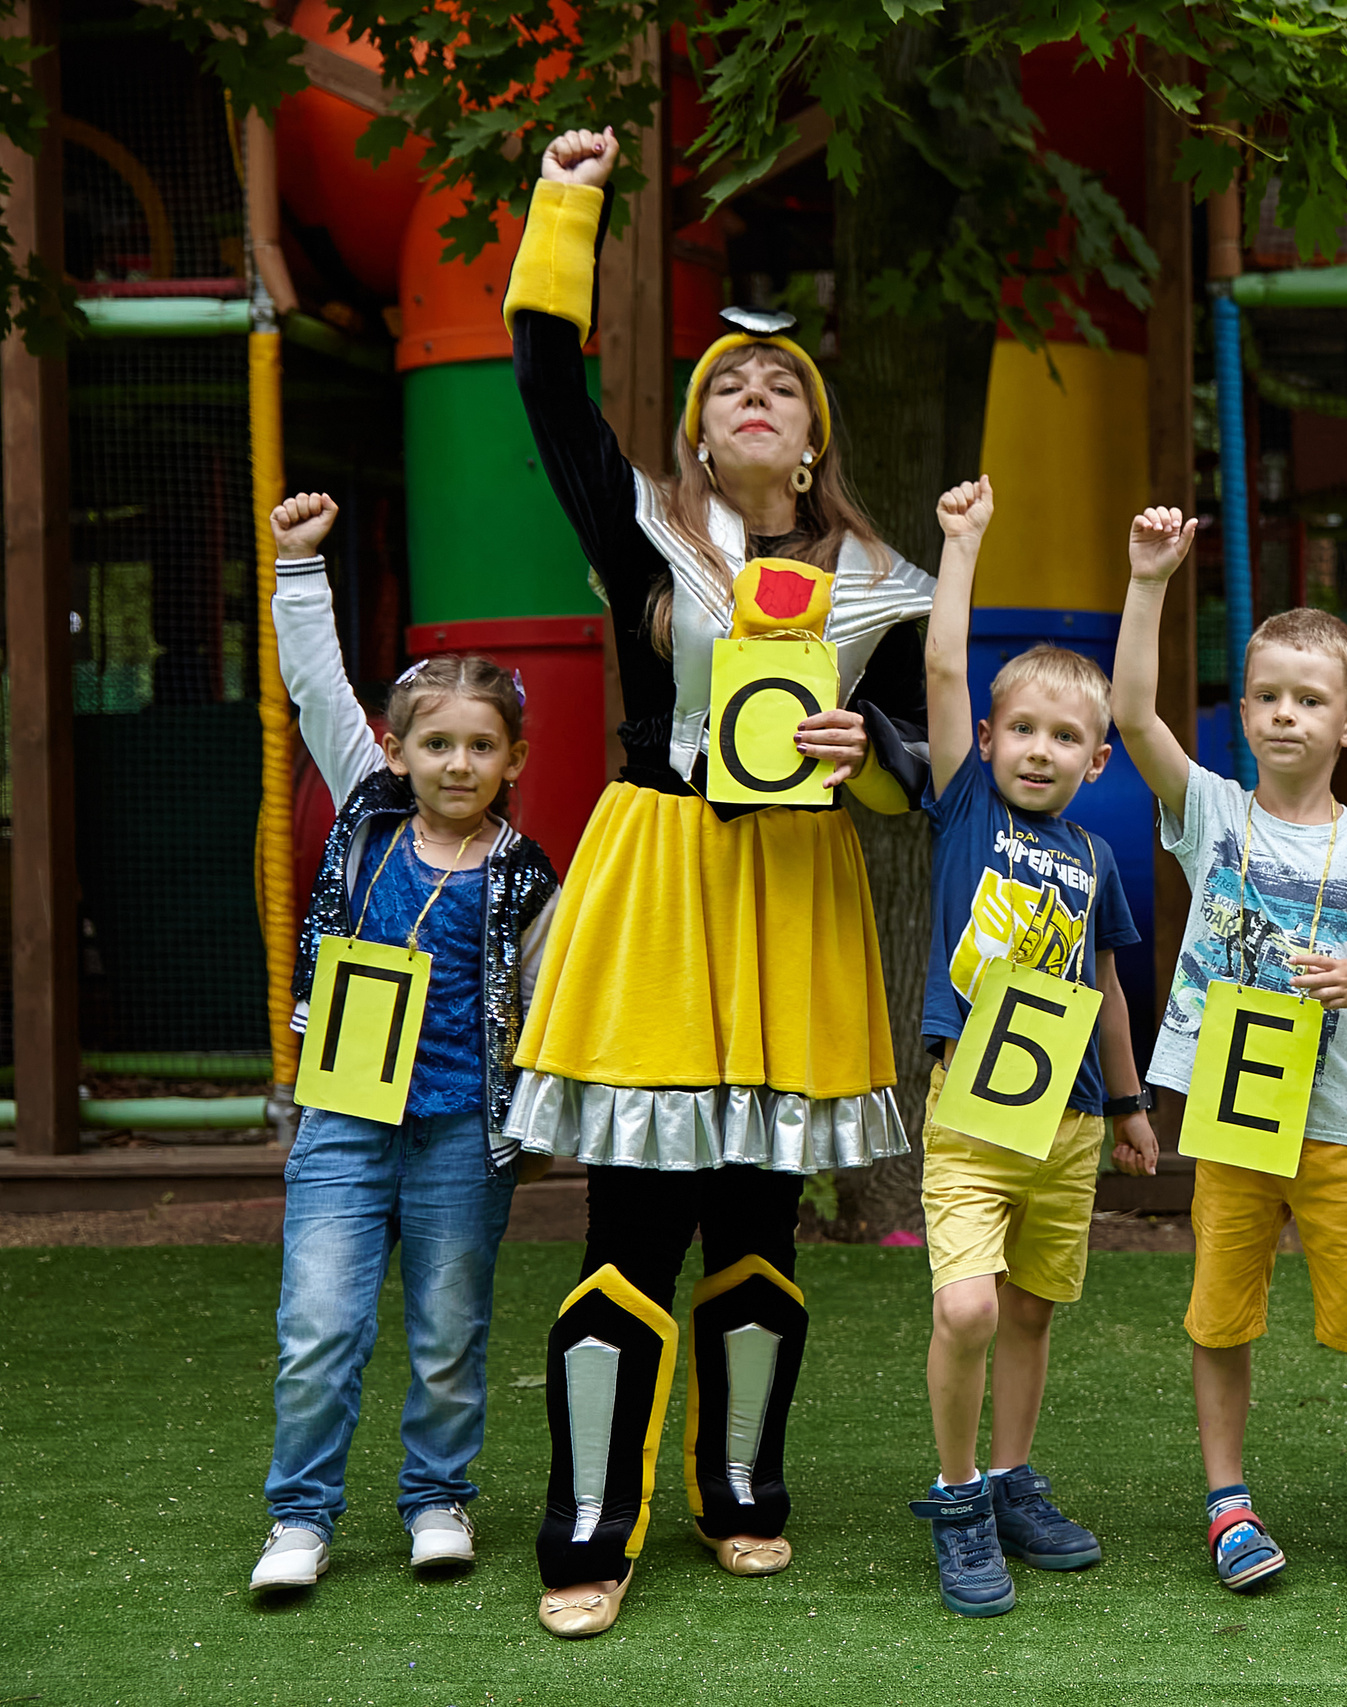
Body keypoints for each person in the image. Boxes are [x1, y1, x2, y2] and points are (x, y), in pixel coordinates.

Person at [502, 129, 932, 1638]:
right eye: (723, 387)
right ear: (695, 435)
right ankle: (587, 1515)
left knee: (759, 1222)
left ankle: (744, 1487)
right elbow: (546, 377)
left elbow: (939, 760)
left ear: (814, 432)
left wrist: (864, 740)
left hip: (798, 893)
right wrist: (570, 203)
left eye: (780, 384)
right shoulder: (642, 532)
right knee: (634, 1219)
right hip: (665, 878)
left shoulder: (890, 581)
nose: (752, 393)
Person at [1111, 508, 1347, 1596]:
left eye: (1310, 699)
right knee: (1219, 1311)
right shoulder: (1207, 811)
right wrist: (1150, 580)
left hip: (1340, 1119)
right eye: (1267, 696)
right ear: (1242, 710)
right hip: (1232, 1115)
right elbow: (1130, 712)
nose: (1285, 713)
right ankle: (1226, 1502)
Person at [251, 491, 560, 1595]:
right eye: (437, 743)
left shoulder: (529, 879)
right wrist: (298, 568)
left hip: (459, 1138)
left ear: (514, 758)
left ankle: (437, 1498)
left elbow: (547, 1005)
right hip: (344, 1119)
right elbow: (315, 686)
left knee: (445, 1332)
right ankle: (300, 1516)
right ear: (396, 748)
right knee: (320, 1326)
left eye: (482, 746)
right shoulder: (364, 814)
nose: (459, 763)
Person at [902, 476, 1161, 1616]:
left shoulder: (1097, 863)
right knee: (964, 1306)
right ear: (991, 742)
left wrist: (1129, 1102)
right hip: (972, 1102)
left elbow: (1105, 983)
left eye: (1068, 737)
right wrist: (962, 547)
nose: (1041, 750)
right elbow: (945, 671)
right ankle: (957, 1498)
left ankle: (1009, 1476)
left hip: (1066, 1123)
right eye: (1024, 730)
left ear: (1097, 762)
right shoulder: (968, 810)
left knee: (1030, 1310)